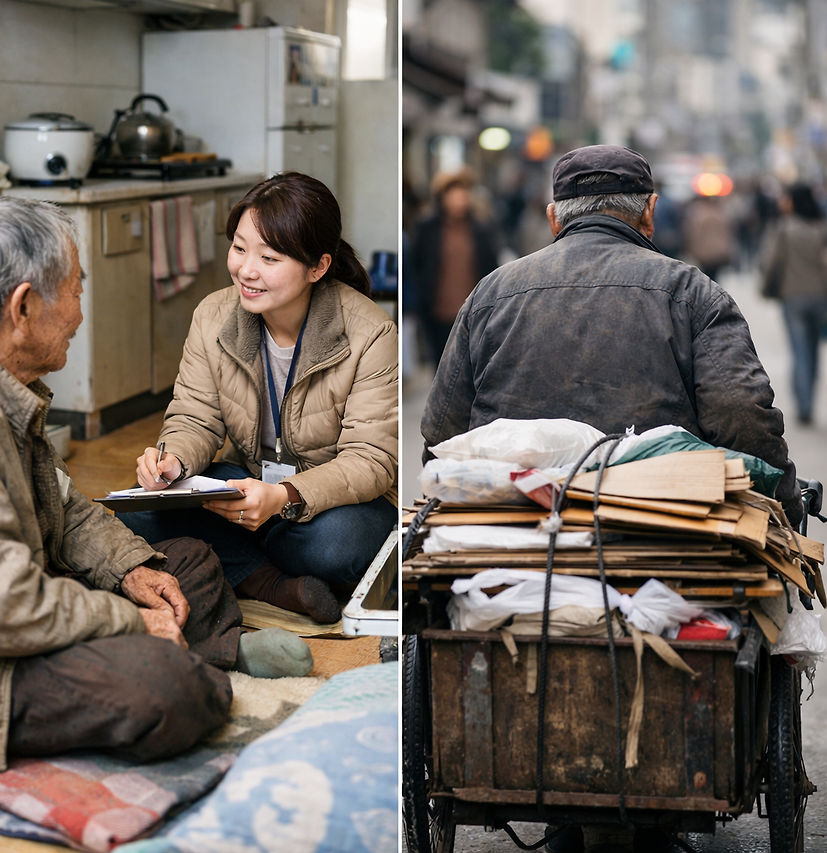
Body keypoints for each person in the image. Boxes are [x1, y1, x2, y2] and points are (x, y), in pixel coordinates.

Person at [422, 145, 802, 853]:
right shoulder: (691, 292)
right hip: (661, 545)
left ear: (551, 216)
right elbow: (745, 420)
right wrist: (777, 492)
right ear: (650, 214)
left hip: (521, 546)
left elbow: (443, 436)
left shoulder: (494, 292)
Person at [0, 195, 312, 779]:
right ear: (23, 307)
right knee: (167, 692)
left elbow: (68, 510)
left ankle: (204, 650)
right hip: (0, 660)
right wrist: (126, 619)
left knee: (192, 563)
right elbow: (6, 606)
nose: (80, 314)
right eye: (76, 290)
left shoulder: (14, 390)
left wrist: (130, 570)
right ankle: (196, 660)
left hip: (46, 597)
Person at [120, 173, 399, 626]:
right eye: (239, 248)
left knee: (341, 545)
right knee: (139, 513)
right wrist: (173, 462)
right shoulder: (213, 315)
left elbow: (371, 459)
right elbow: (194, 416)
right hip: (246, 484)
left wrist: (284, 496)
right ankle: (274, 585)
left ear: (318, 266)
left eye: (269, 257)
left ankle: (241, 561)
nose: (247, 270)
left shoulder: (371, 332)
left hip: (330, 505)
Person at [412, 166, 500, 366]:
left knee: (473, 365)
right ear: (443, 198)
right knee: (442, 365)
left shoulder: (481, 229)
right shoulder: (427, 228)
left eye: (464, 196)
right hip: (438, 311)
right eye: (454, 196)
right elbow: (417, 265)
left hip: (474, 310)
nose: (460, 201)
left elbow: (491, 266)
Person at [761, 182, 827, 425]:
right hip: (820, 297)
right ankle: (809, 400)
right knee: (813, 352)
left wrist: (767, 289)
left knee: (800, 351)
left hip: (793, 298)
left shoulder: (784, 228)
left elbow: (772, 262)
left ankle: (804, 405)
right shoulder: (821, 228)